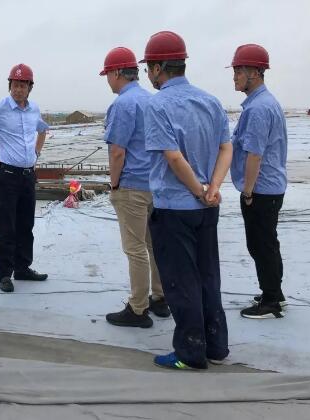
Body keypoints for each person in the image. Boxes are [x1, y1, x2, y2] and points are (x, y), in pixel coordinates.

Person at [142, 31, 232, 370]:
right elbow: (226, 148)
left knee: (181, 282)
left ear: (158, 68)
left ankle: (190, 352)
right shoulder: (210, 101)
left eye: (149, 68)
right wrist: (212, 188)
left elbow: (173, 157)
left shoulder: (158, 105)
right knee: (209, 276)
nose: (148, 75)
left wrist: (197, 190)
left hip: (175, 208)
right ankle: (216, 346)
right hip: (208, 207)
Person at [100, 47, 169, 328]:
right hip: (155, 184)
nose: (107, 80)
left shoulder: (122, 105)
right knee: (154, 246)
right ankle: (160, 298)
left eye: (108, 75)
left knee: (135, 248)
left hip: (131, 187)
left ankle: (138, 309)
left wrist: (114, 185)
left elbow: (117, 152)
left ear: (117, 73)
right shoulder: (151, 100)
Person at [0, 64, 49, 293]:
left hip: (27, 175)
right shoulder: (0, 108)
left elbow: (42, 130)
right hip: (8, 176)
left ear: (30, 87)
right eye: (15, 85)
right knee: (6, 226)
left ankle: (22, 267)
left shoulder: (34, 109)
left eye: (23, 85)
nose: (18, 89)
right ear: (10, 86)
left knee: (26, 224)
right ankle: (4, 273)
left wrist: (36, 152)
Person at [228, 44, 288, 319]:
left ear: (254, 72)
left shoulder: (258, 109)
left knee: (260, 244)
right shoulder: (264, 103)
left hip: (261, 189)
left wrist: (248, 191)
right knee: (267, 242)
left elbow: (254, 154)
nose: (234, 77)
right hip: (271, 187)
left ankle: (271, 301)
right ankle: (274, 292)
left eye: (238, 71)